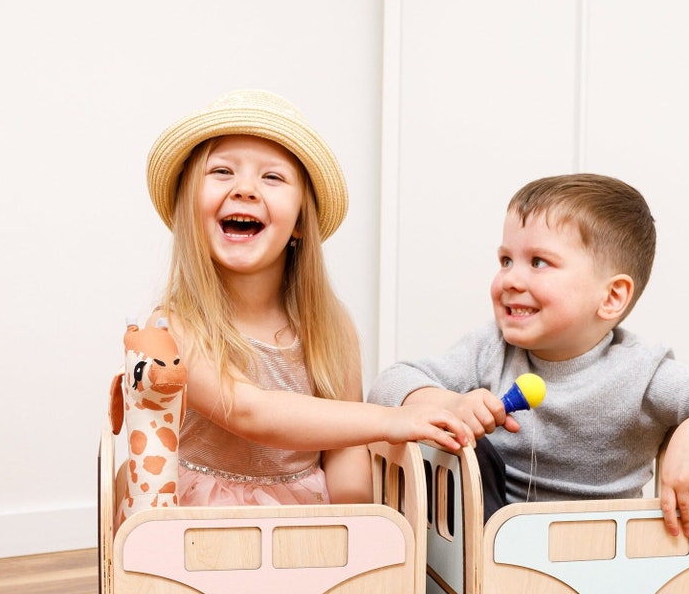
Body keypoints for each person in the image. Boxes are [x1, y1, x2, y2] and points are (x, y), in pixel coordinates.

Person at [368, 173, 689, 535]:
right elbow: (389, 384)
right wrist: (448, 404)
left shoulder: (641, 371)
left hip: (599, 553)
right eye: (506, 260)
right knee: (466, 449)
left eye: (538, 262)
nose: (510, 279)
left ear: (611, 297)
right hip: (492, 546)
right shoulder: (489, 349)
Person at [143, 88, 472, 507]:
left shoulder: (331, 329)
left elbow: (344, 449)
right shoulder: (171, 328)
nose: (245, 188)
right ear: (190, 209)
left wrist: (356, 528)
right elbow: (247, 410)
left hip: (307, 525)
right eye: (222, 171)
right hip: (202, 527)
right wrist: (389, 420)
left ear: (300, 223)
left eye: (272, 177)